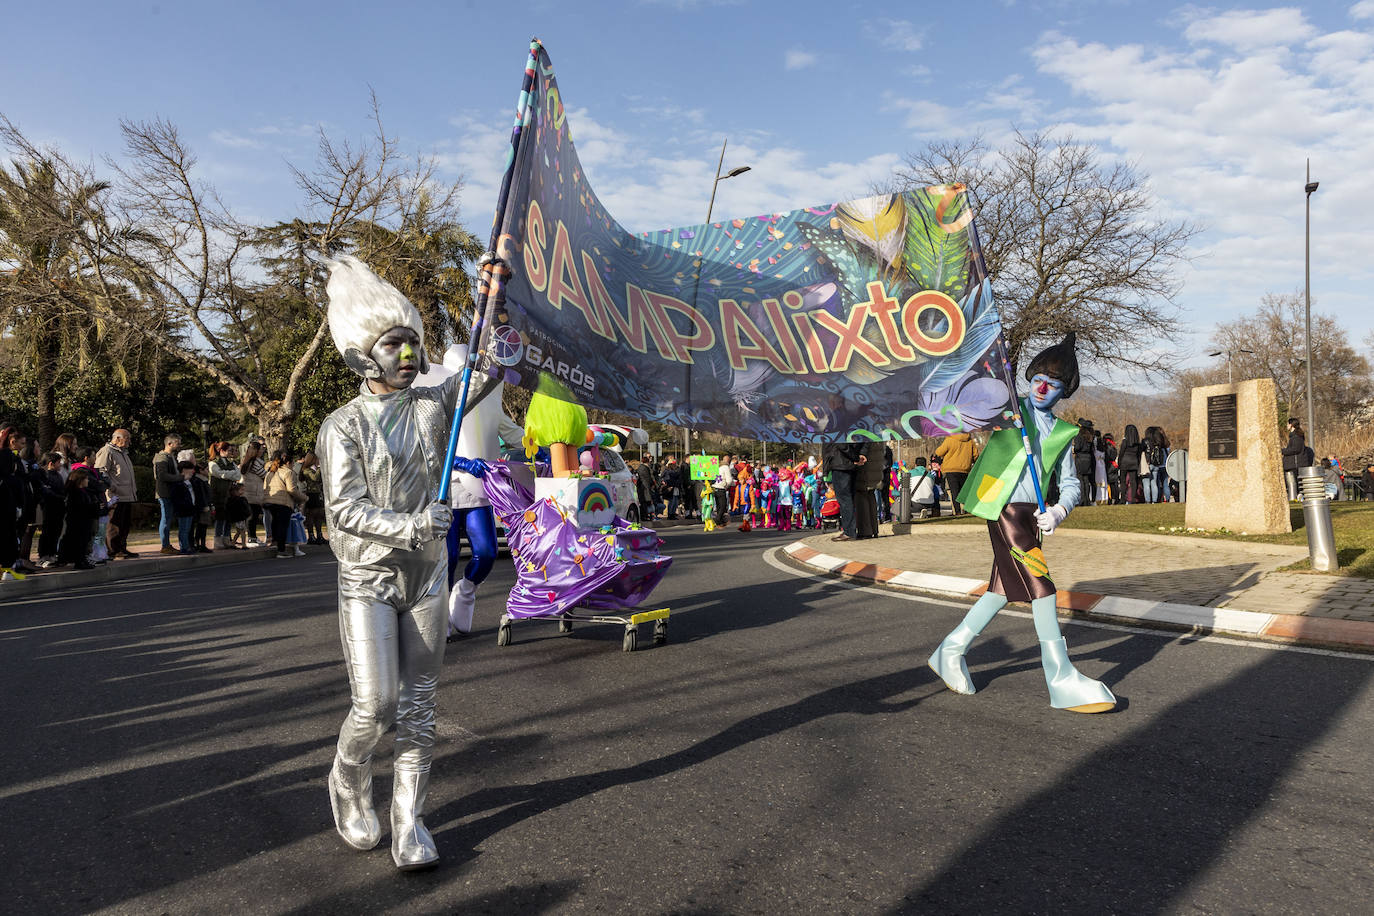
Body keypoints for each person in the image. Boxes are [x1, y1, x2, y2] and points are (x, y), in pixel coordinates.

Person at [316, 254, 467, 871]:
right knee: (375, 705)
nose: (408, 353)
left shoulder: (433, 405)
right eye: (394, 343)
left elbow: (489, 367)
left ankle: (410, 820)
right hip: (369, 577)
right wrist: (409, 525)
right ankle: (347, 781)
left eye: (413, 341)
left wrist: (497, 300)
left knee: (419, 703)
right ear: (363, 354)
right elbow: (343, 509)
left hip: (427, 573)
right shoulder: (341, 425)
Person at [928, 332, 1115, 714]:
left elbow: (1069, 484)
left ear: (1065, 392)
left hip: (1033, 515)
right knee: (1042, 587)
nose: (1043, 388)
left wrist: (1060, 510)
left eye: (1054, 385)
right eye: (1037, 381)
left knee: (1000, 590)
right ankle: (1060, 676)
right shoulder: (1008, 412)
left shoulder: (1065, 433)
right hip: (1003, 509)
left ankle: (950, 649)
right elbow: (969, 403)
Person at [415, 342, 522, 640]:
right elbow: (430, 442)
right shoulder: (437, 399)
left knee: (487, 552)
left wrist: (541, 447)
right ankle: (440, 618)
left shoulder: (487, 400)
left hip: (477, 492)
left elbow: (514, 434)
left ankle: (464, 592)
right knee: (446, 556)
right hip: (444, 490)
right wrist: (461, 462)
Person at [94, 428, 139, 558]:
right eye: (127, 438)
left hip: (127, 494)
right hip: (116, 496)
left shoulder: (123, 453)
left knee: (125, 524)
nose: (129, 441)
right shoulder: (107, 451)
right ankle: (113, 550)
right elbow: (101, 471)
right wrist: (112, 487)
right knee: (114, 525)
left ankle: (122, 548)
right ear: (118, 438)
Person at [264, 450, 306, 558]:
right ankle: (281, 550)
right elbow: (292, 490)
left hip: (270, 500)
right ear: (288, 463)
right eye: (292, 463)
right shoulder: (288, 472)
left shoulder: (271, 471)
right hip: (283, 502)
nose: (293, 465)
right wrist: (304, 498)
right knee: (282, 526)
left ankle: (274, 543)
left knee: (275, 523)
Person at [821, 441, 865, 542]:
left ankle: (849, 532)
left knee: (845, 500)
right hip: (847, 465)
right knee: (848, 499)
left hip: (840, 465)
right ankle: (850, 530)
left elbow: (842, 446)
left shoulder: (836, 429)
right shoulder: (849, 428)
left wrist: (855, 457)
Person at [57, 468, 98, 570]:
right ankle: (79, 560)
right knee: (79, 541)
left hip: (83, 522)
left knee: (83, 541)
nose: (88, 481)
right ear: (80, 480)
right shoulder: (75, 493)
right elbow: (80, 508)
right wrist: (93, 507)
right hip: (78, 523)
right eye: (86, 479)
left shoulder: (82, 492)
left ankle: (82, 559)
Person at [208, 442, 242, 549]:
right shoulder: (213, 462)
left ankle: (227, 539)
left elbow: (238, 475)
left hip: (229, 494)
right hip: (218, 494)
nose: (231, 453)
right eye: (229, 450)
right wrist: (230, 474)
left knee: (228, 518)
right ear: (221, 451)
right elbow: (218, 473)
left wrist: (226, 474)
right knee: (220, 517)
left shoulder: (231, 463)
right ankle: (218, 540)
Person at [934, 432, 977, 516]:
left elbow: (939, 452)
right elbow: (975, 455)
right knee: (964, 491)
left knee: (954, 492)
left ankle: (957, 511)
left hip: (951, 469)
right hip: (965, 469)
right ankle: (967, 510)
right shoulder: (970, 441)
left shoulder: (950, 439)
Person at [152, 434, 182, 555]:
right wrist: (180, 477)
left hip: (170, 493)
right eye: (178, 443)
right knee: (165, 519)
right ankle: (165, 545)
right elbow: (162, 475)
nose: (180, 445)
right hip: (165, 493)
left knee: (168, 518)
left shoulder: (170, 457)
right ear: (169, 444)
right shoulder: (161, 457)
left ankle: (166, 544)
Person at [35, 452, 66, 567]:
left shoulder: (57, 475)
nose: (60, 465)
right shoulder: (45, 475)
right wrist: (60, 497)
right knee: (48, 532)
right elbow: (46, 492)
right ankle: (43, 556)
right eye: (58, 463)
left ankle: (52, 554)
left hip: (59, 508)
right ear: (51, 464)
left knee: (56, 532)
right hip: (49, 508)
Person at [854, 439, 885, 538]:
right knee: (871, 497)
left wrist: (860, 454)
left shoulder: (865, 433)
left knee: (861, 498)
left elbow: (864, 445)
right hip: (875, 468)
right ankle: (874, 529)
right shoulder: (877, 433)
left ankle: (865, 530)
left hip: (865, 467)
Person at [240, 438, 267, 546]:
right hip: (253, 493)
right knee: (252, 516)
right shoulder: (254, 463)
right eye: (260, 449)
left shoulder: (249, 461)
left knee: (254, 515)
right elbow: (264, 474)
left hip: (252, 492)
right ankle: (251, 538)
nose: (262, 451)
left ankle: (253, 537)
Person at [297, 451, 327, 544]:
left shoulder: (314, 469)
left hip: (318, 493)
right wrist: (319, 468)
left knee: (319, 515)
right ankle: (311, 535)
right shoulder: (306, 470)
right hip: (311, 494)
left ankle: (319, 535)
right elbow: (315, 478)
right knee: (311, 515)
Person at [1143, 426, 1171, 503]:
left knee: (1155, 483)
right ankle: (1166, 499)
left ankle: (1155, 499)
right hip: (1163, 465)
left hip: (1154, 464)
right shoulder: (1164, 443)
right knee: (1164, 484)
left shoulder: (1149, 442)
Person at [1117, 425, 1143, 505]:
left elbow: (1121, 452)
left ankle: (1122, 499)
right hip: (1134, 462)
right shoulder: (1137, 444)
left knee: (1123, 481)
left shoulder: (1125, 441)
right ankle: (1133, 499)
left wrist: (1119, 462)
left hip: (1124, 462)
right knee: (1133, 481)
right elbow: (1139, 454)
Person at [225, 482, 252, 548]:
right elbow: (240, 509)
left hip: (239, 518)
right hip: (239, 518)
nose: (243, 491)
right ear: (236, 491)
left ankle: (233, 543)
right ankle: (244, 545)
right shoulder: (237, 500)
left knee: (239, 532)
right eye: (241, 490)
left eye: (243, 490)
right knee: (243, 531)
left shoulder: (239, 499)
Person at [711, 454, 734, 528]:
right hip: (721, 487)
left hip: (714, 487)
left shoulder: (717, 466)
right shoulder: (726, 467)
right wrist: (726, 486)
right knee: (723, 505)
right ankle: (717, 520)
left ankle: (720, 522)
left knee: (718, 505)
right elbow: (729, 479)